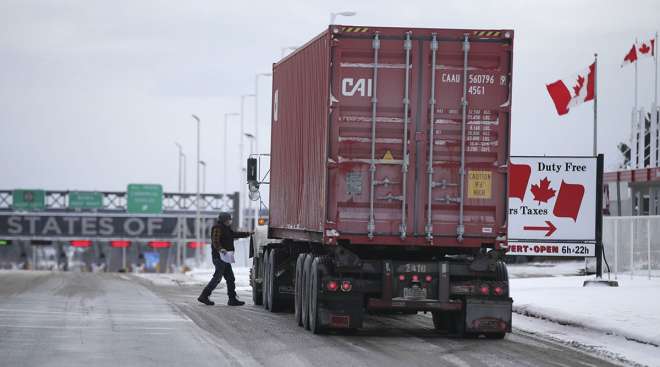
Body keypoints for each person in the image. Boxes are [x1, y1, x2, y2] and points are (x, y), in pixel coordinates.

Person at [198, 212, 251, 306]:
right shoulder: (217, 228)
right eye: (228, 219)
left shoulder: (226, 228)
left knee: (230, 278)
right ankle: (204, 296)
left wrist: (247, 234)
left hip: (225, 258)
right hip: (219, 257)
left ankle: (232, 299)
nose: (230, 221)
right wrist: (220, 249)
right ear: (224, 220)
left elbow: (234, 234)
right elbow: (215, 241)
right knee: (217, 278)